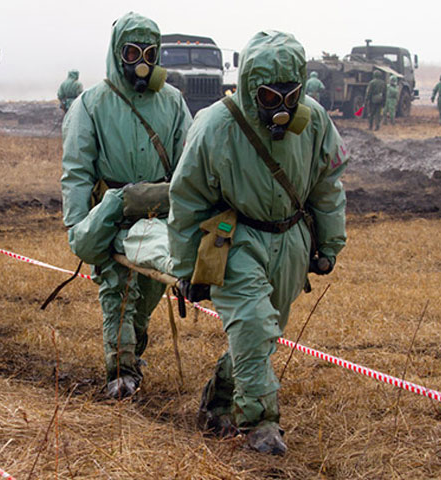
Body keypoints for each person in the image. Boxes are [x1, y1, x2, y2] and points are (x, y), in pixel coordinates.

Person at [168, 30, 348, 455]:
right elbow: (187, 199)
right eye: (269, 98)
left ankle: (218, 399)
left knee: (265, 334)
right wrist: (184, 268)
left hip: (291, 239)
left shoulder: (315, 121)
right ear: (250, 90)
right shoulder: (215, 125)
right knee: (251, 324)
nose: (283, 109)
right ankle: (261, 426)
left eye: (291, 96)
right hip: (235, 238)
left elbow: (327, 185)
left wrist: (329, 243)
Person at [60, 12, 192, 399]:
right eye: (132, 52)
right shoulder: (90, 105)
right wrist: (80, 224)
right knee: (118, 290)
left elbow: (189, 163)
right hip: (113, 214)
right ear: (117, 54)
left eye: (149, 53)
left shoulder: (172, 103)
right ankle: (120, 370)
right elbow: (76, 170)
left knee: (148, 291)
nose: (141, 62)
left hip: (160, 215)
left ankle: (134, 352)